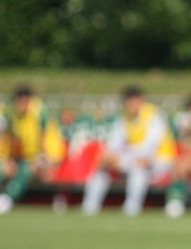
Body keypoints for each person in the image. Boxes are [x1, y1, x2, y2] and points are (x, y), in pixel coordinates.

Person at [81, 86, 175, 216]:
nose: (131, 104)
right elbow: (115, 141)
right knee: (104, 166)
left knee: (138, 169)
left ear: (141, 100)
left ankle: (132, 208)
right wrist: (109, 156)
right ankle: (89, 207)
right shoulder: (124, 117)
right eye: (128, 101)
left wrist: (121, 158)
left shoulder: (154, 115)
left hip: (160, 160)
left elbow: (150, 146)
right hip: (135, 159)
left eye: (134, 100)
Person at [0, 85, 65, 214]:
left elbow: (45, 139)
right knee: (4, 168)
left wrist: (43, 157)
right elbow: (12, 142)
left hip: (45, 157)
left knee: (25, 169)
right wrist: (9, 158)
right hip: (23, 158)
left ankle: (7, 199)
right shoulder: (13, 115)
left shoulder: (39, 112)